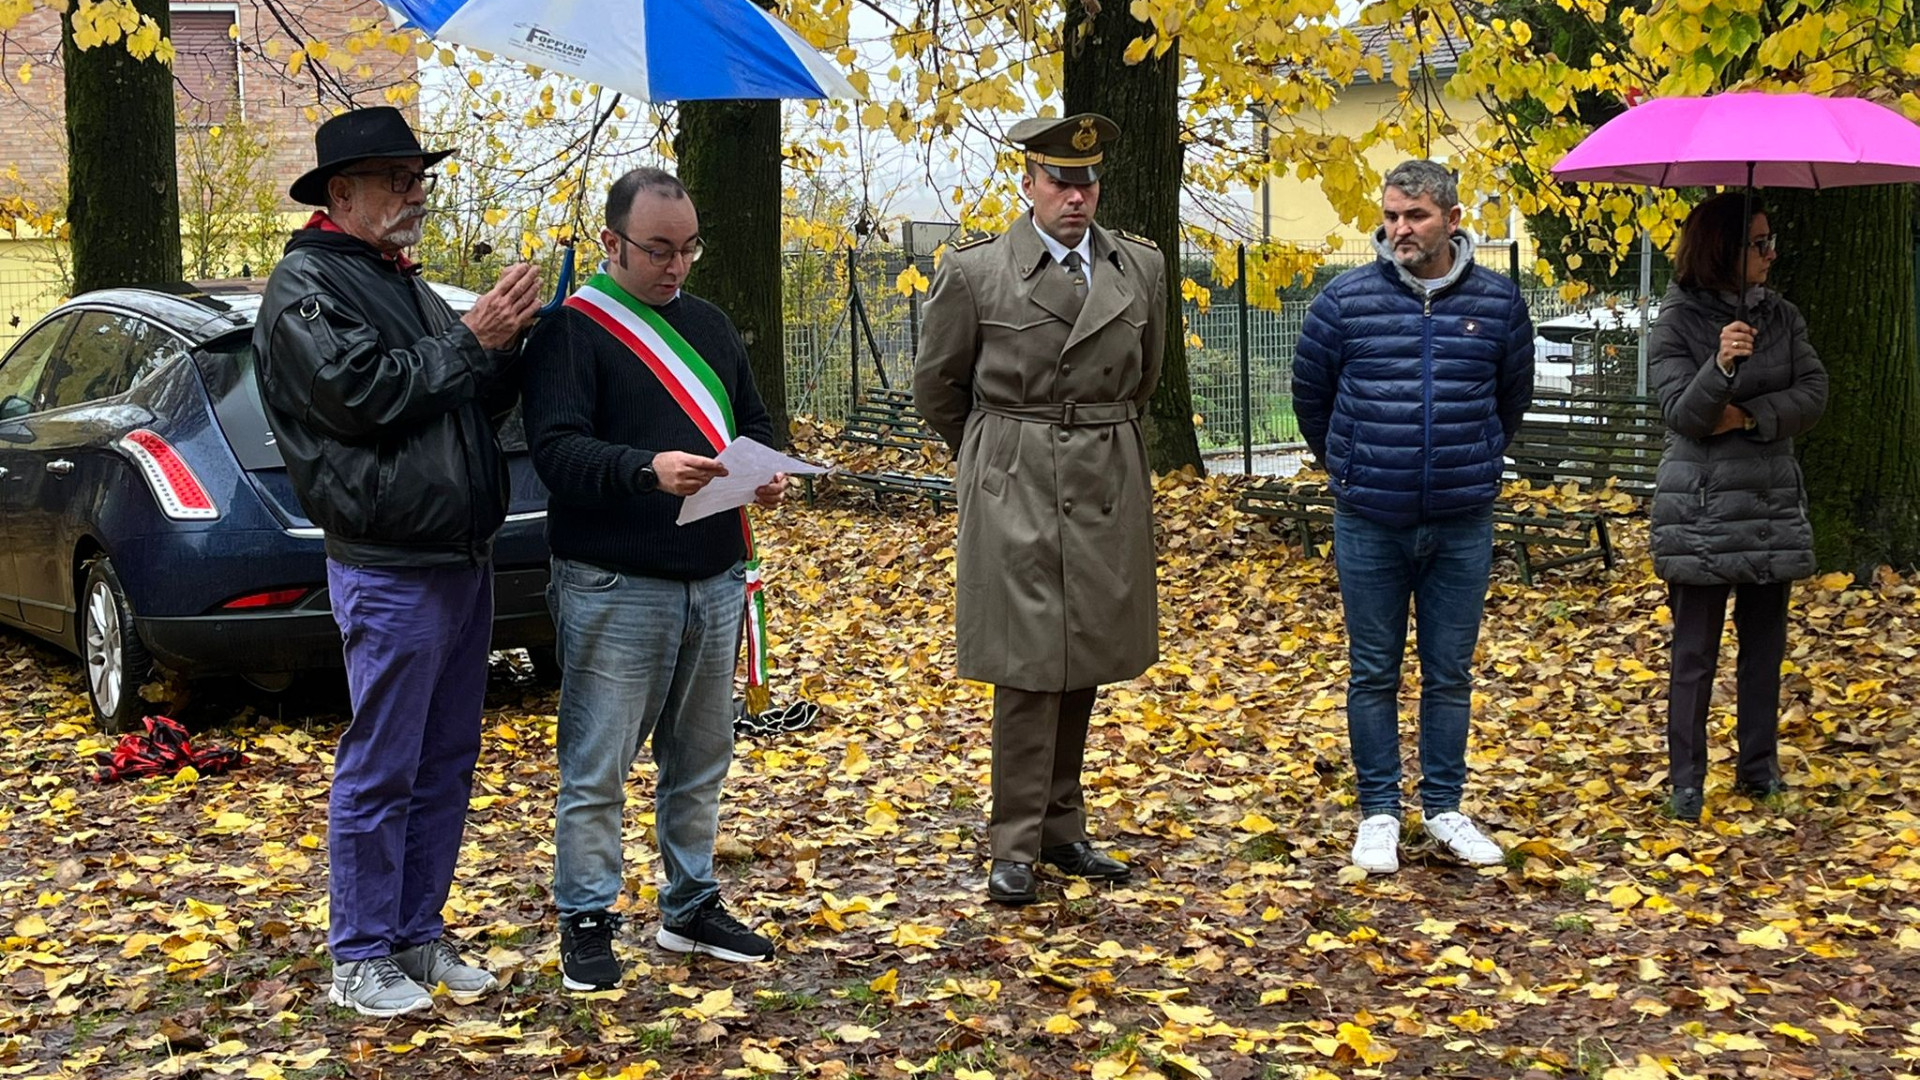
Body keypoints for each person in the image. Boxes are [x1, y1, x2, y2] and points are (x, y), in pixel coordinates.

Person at [254, 106, 543, 1016]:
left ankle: (417, 936)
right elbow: (361, 395)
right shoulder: (307, 286)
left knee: (448, 756)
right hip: (388, 563)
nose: (416, 193)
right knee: (384, 761)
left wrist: (515, 344)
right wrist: (471, 341)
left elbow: (453, 403)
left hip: (458, 555)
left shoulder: (399, 281)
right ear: (342, 193)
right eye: (397, 179)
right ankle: (361, 954)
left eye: (420, 177)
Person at [523, 168, 784, 989]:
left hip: (711, 575)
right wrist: (646, 469)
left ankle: (690, 904)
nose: (676, 267)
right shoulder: (570, 331)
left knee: (701, 758)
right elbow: (557, 453)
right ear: (611, 242)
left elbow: (756, 422)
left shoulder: (709, 325)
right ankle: (587, 916)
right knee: (598, 765)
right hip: (613, 581)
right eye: (658, 250)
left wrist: (766, 471)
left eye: (688, 249)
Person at [913, 113, 1166, 906]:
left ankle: (1063, 830)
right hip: (1015, 476)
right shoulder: (977, 272)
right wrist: (994, 456)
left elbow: (1145, 376)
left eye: (1088, 181)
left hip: (1104, 478)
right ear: (1028, 184)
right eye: (1060, 180)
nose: (1076, 196)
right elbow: (937, 387)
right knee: (1028, 665)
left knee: (1083, 655)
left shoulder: (1141, 268)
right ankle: (1014, 842)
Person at [1291, 159, 1534, 876]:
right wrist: (1355, 466)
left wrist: (1473, 463)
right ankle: (1378, 814)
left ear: (1452, 220)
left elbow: (1507, 400)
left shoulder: (1497, 304)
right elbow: (1313, 400)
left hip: (1462, 518)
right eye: (1393, 215)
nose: (1400, 228)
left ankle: (1445, 806)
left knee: (1450, 672)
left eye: (1416, 216)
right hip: (1370, 516)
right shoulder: (1344, 301)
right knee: (1373, 671)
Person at [1648, 192, 1827, 823]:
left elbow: (1813, 391)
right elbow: (1685, 415)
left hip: (1769, 501)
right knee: (1694, 655)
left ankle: (1759, 771)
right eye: (1758, 244)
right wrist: (1720, 364)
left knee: (1764, 650)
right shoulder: (1675, 322)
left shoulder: (1782, 318)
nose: (1771, 254)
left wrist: (1751, 415)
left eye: (1770, 240)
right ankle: (1686, 783)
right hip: (1698, 509)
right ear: (1722, 248)